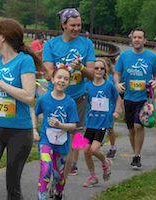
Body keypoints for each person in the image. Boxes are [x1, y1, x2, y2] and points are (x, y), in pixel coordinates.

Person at [0, 18, 44, 199]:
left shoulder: (24, 61)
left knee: (12, 183)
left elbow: (28, 97)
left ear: (3, 37)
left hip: (19, 131)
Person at [42, 8, 95, 182]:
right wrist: (66, 70)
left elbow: (92, 75)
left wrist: (80, 68)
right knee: (55, 135)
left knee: (75, 135)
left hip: (78, 97)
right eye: (73, 25)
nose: (77, 28)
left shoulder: (87, 44)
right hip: (56, 98)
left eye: (79, 25)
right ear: (63, 25)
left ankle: (65, 174)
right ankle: (56, 167)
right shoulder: (51, 45)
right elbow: (49, 75)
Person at [114, 27, 156, 169]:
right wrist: (117, 84)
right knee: (131, 129)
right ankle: (135, 152)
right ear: (132, 39)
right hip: (128, 97)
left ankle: (137, 155)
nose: (137, 40)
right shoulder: (124, 56)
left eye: (140, 37)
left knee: (138, 125)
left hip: (144, 97)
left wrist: (155, 81)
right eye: (135, 37)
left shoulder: (151, 57)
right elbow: (116, 73)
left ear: (145, 40)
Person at [33, 67, 79, 200]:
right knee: (46, 168)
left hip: (61, 141)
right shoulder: (43, 99)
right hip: (46, 139)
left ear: (69, 83)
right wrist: (34, 129)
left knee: (59, 175)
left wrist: (60, 125)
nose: (62, 81)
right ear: (52, 80)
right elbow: (35, 113)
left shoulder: (70, 102)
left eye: (66, 79)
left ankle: (58, 193)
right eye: (59, 77)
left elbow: (73, 125)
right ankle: (41, 197)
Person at [82, 58, 120, 187]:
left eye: (101, 68)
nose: (99, 70)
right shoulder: (87, 86)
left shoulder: (108, 85)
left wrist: (116, 111)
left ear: (105, 70)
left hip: (103, 123)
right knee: (86, 151)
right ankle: (93, 177)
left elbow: (118, 98)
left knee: (93, 149)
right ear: (92, 70)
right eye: (96, 68)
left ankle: (105, 162)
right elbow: (84, 102)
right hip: (90, 123)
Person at [103, 57, 122, 159]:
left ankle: (112, 147)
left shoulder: (111, 79)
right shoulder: (95, 78)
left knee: (110, 127)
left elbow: (117, 95)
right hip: (98, 107)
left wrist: (117, 110)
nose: (101, 70)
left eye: (104, 67)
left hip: (110, 106)